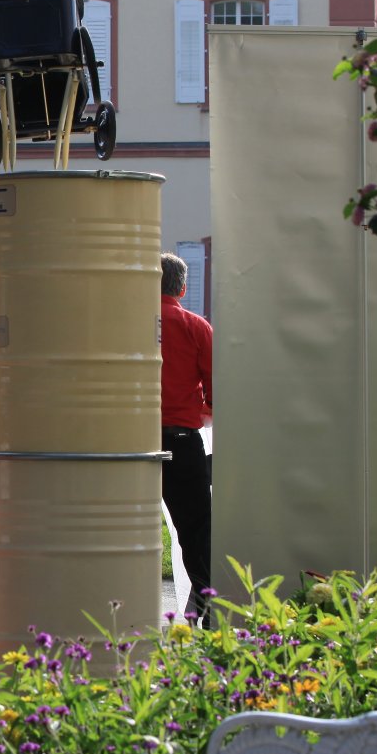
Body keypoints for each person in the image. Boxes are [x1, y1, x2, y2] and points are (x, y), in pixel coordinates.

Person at [159, 252, 213, 624]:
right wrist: (201, 408)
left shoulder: (127, 324)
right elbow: (217, 386)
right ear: (182, 288)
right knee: (196, 530)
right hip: (180, 439)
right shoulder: (195, 326)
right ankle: (206, 612)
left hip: (129, 440)